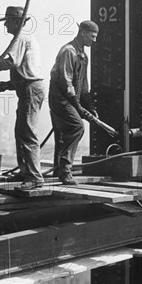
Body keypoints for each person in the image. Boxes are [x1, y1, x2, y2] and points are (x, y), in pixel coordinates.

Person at [0, 6, 46, 190]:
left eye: (8, 21)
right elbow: (24, 70)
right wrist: (5, 85)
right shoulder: (24, 39)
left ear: (17, 21)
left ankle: (34, 178)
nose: (5, 25)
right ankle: (25, 172)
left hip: (30, 89)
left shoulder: (20, 38)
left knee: (27, 133)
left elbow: (11, 62)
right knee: (21, 131)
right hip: (28, 88)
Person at [48, 20, 98, 185]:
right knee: (77, 127)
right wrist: (77, 107)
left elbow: (83, 86)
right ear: (82, 32)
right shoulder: (69, 51)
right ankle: (65, 170)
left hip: (69, 99)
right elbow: (65, 82)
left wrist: (90, 106)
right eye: (92, 36)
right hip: (60, 98)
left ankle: (59, 172)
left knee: (62, 135)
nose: (94, 40)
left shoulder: (83, 56)